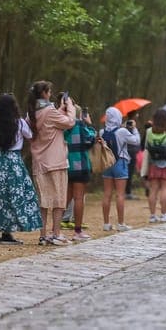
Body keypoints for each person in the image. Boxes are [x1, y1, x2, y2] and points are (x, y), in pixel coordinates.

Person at [0, 94, 43, 245]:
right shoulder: (19, 123)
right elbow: (32, 137)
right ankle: (7, 233)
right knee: (13, 196)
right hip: (13, 162)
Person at [26, 81, 75, 245]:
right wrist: (70, 106)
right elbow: (69, 122)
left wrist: (59, 109)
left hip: (39, 163)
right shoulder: (49, 111)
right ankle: (56, 233)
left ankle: (43, 235)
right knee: (59, 200)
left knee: (44, 201)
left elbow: (51, 121)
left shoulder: (31, 113)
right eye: (49, 91)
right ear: (45, 93)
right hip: (56, 162)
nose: (51, 94)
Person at [100, 107, 140, 231]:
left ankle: (106, 224)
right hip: (120, 163)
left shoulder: (102, 132)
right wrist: (134, 128)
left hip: (107, 164)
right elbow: (136, 141)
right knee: (120, 195)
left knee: (107, 194)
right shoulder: (122, 131)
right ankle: (121, 223)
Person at [63, 98, 96, 240]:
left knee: (66, 197)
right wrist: (89, 125)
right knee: (78, 198)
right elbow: (90, 140)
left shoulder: (63, 126)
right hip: (81, 165)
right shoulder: (80, 125)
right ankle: (78, 231)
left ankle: (55, 229)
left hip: (66, 164)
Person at [143, 108, 166, 223]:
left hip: (154, 164)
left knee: (153, 190)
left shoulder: (149, 132)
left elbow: (147, 146)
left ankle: (152, 216)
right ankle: (163, 214)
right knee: (165, 189)